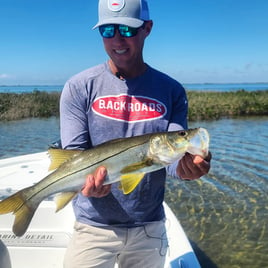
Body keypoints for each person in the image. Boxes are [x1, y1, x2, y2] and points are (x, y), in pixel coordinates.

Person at [61, 0, 211, 267]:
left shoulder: (172, 90)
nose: (117, 39)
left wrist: (188, 168)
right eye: (107, 30)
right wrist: (86, 186)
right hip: (93, 226)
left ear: (147, 28)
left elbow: (171, 161)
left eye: (128, 29)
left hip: (148, 226)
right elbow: (73, 156)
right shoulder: (78, 87)